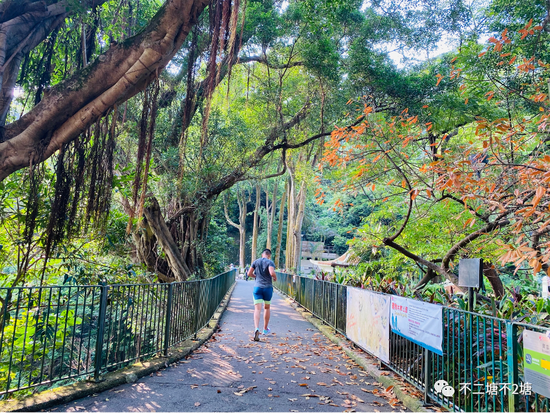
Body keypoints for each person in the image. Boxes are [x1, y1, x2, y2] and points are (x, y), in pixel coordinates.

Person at [247, 249, 276, 341]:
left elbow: (249, 273)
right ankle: (265, 329)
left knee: (257, 309)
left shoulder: (256, 261)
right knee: (266, 308)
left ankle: (256, 328)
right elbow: (271, 272)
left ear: (262, 254)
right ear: (269, 255)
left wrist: (256, 277)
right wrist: (274, 277)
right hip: (267, 288)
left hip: (257, 288)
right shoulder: (270, 262)